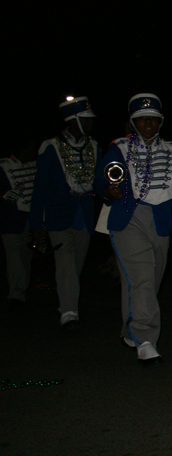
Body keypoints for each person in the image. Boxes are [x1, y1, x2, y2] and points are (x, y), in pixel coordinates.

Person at [94, 93, 172, 365]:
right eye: (142, 120)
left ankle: (130, 329)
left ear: (160, 122)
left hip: (160, 219)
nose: (148, 125)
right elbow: (102, 181)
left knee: (149, 279)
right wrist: (109, 191)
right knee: (141, 277)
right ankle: (145, 339)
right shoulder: (118, 148)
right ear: (133, 122)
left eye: (153, 120)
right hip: (128, 219)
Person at [29, 96, 100, 328]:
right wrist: (36, 224)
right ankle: (69, 311)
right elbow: (40, 188)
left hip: (84, 215)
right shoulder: (50, 147)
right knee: (66, 263)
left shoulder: (95, 147)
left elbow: (98, 181)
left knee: (76, 264)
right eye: (85, 120)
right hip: (58, 216)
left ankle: (66, 298)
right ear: (72, 121)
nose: (90, 124)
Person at [1, 140, 38, 310]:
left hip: (28, 218)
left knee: (25, 256)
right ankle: (16, 294)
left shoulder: (34, 166)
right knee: (14, 257)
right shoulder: (3, 167)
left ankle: (20, 291)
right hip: (9, 219)